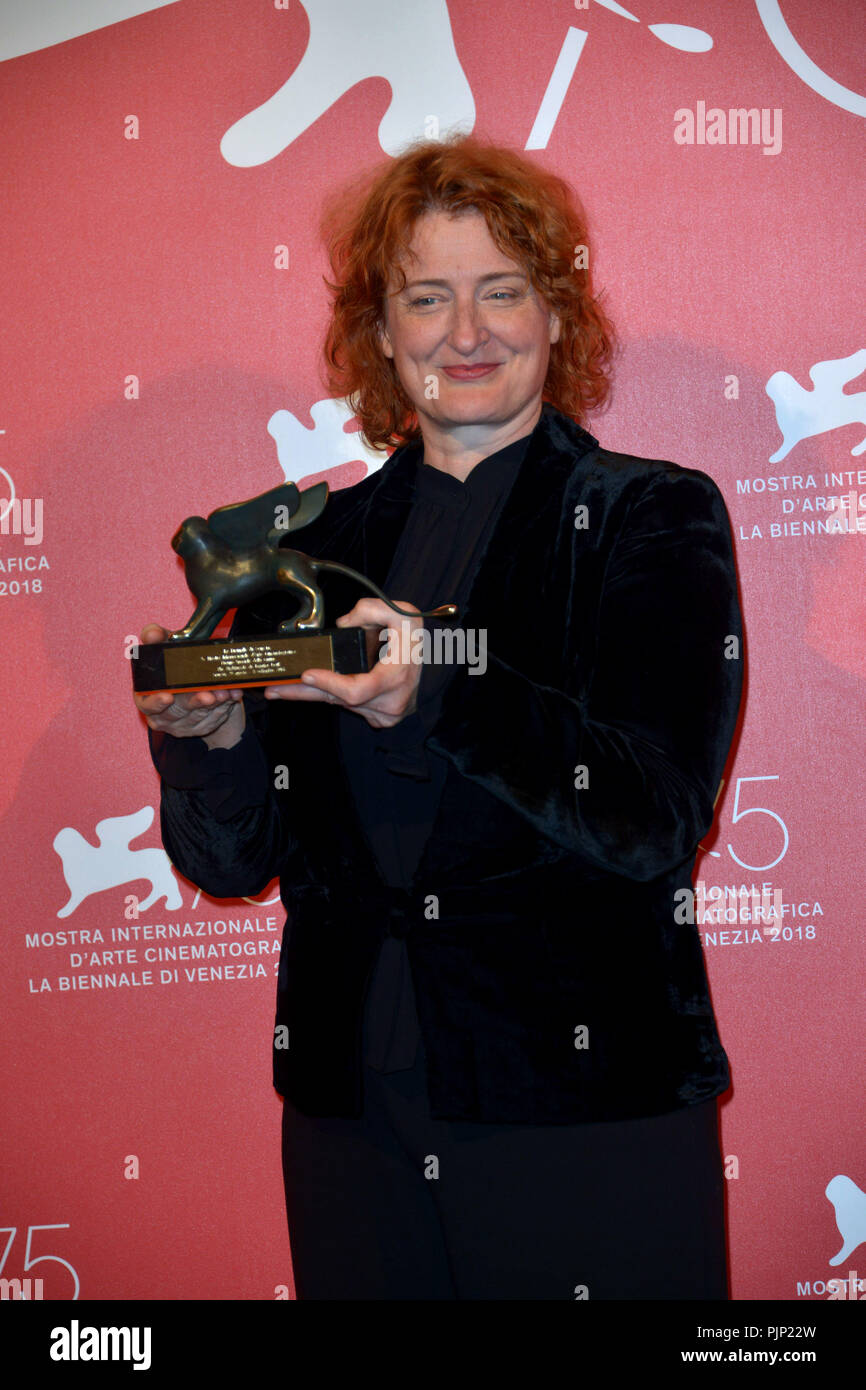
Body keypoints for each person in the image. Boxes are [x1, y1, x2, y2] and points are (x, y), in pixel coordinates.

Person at [135, 135, 744, 1300]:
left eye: (501, 290)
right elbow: (230, 861)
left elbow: (653, 816)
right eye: (427, 297)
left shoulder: (647, 517)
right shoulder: (306, 555)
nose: (466, 332)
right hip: (351, 1109)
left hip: (580, 1108)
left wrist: (439, 689)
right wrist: (207, 745)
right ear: (381, 334)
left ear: (555, 315)